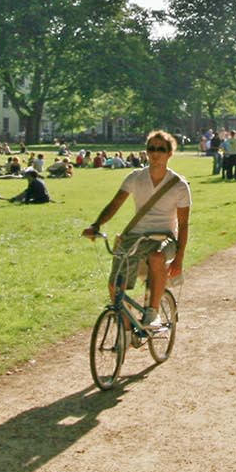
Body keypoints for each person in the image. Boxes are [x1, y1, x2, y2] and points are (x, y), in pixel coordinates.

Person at [83, 131, 190, 332]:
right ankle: (125, 330)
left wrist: (179, 259)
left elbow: (183, 225)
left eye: (160, 149)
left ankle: (152, 312)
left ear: (169, 154)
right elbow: (114, 204)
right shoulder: (135, 178)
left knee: (156, 256)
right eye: (151, 149)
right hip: (136, 236)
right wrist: (96, 226)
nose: (155, 153)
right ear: (146, 152)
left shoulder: (179, 186)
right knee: (115, 284)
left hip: (163, 237)